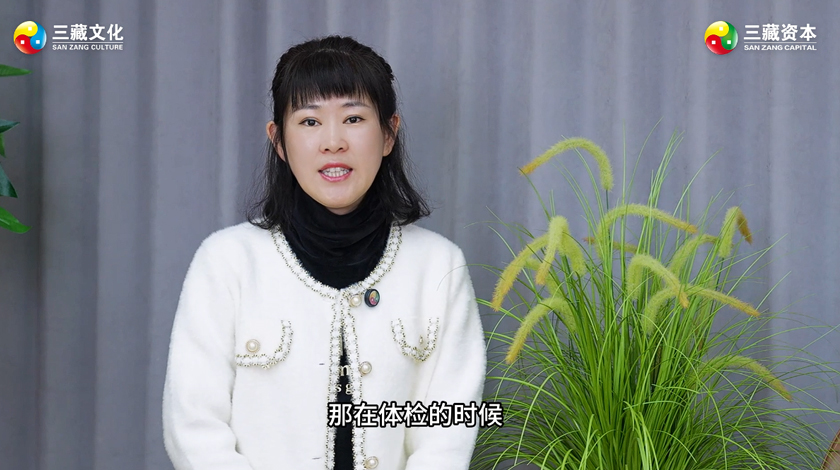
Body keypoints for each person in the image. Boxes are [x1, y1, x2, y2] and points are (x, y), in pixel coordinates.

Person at [162, 35, 487, 470]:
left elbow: (448, 431)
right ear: (279, 141)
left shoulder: (438, 267)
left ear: (388, 133)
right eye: (310, 121)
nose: (333, 142)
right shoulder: (226, 262)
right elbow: (194, 428)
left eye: (353, 118)